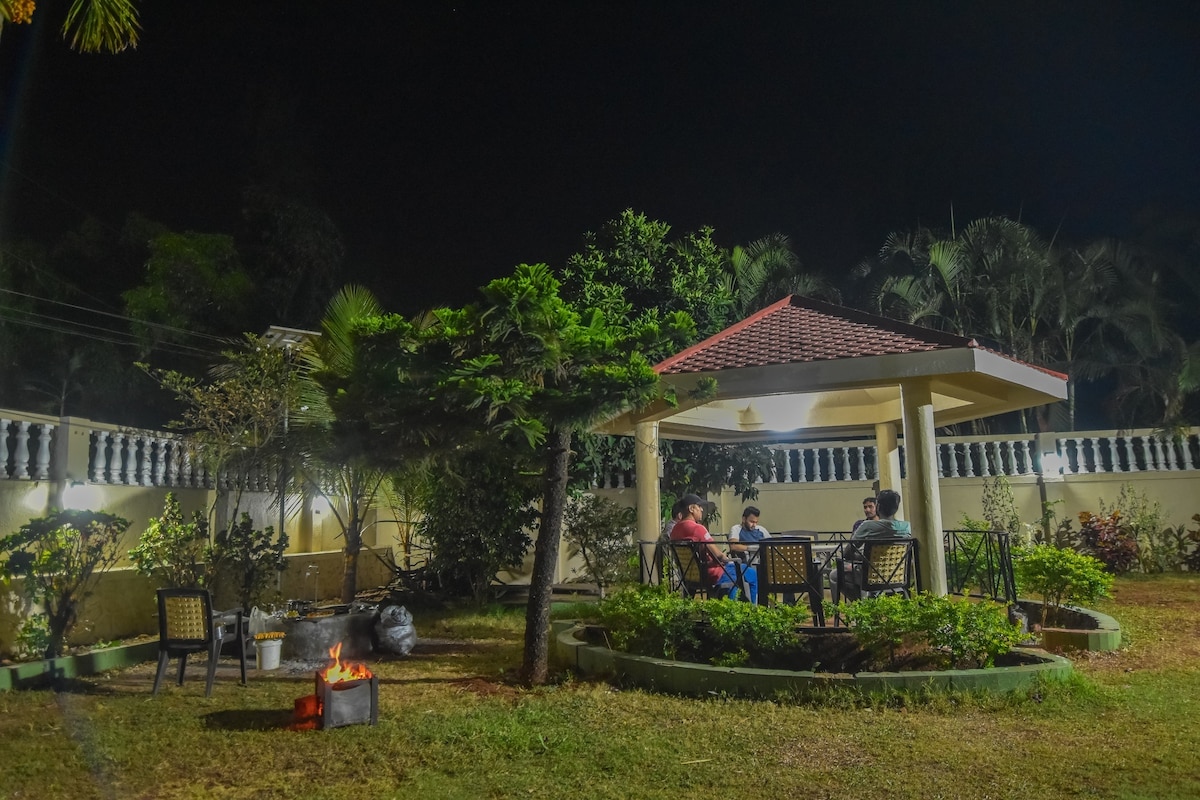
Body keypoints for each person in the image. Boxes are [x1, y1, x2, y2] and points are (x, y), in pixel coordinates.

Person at [669, 493, 758, 602]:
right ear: (691, 509)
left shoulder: (675, 530)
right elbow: (718, 555)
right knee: (751, 574)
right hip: (712, 573)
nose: (702, 509)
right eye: (699, 506)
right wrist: (728, 559)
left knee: (736, 572)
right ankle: (750, 608)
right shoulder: (698, 528)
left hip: (689, 575)